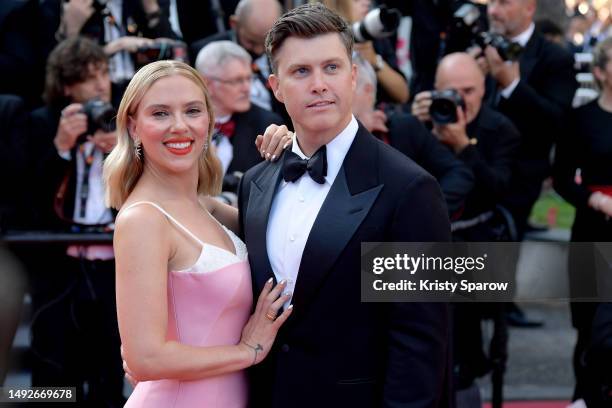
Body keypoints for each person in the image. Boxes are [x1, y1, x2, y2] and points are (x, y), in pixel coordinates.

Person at [238, 4, 452, 407]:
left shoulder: (409, 189)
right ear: (275, 87)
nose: (319, 84)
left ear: (353, 76)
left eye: (331, 68)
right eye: (301, 71)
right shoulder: (256, 183)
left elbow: (420, 344)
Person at [103, 60, 292, 407]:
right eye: (160, 113)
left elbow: (294, 231)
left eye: (192, 110)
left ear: (209, 121)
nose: (179, 126)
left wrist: (297, 148)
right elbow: (145, 359)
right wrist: (247, 351)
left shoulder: (206, 208)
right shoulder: (143, 219)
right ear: (133, 127)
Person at [28, 36, 124, 406]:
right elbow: (27, 200)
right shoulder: (40, 123)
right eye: (88, 77)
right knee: (52, 372)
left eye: (103, 72)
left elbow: (148, 185)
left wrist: (122, 151)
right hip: (59, 266)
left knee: (108, 369)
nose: (101, 83)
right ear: (67, 86)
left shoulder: (122, 121)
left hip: (113, 263)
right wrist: (60, 150)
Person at [553, 36, 612, 405]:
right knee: (590, 325)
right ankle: (584, 396)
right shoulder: (581, 118)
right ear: (601, 72)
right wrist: (593, 198)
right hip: (593, 231)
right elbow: (560, 178)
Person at [351, 54, 474, 216]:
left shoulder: (402, 127)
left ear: (367, 91)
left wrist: (422, 215)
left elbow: (459, 174)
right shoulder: (318, 137)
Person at [195, 40, 284, 194]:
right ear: (207, 84)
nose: (246, 88)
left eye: (249, 78)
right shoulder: (184, 123)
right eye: (236, 81)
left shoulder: (266, 124)